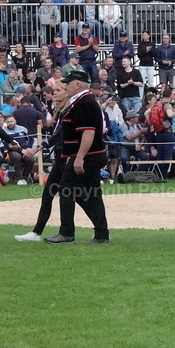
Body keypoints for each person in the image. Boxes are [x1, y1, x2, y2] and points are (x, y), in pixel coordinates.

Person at [44, 70, 110, 244]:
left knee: (66, 188)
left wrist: (79, 157)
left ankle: (66, 233)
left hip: (87, 156)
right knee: (90, 194)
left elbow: (88, 132)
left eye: (68, 83)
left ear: (77, 84)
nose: (66, 86)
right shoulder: (82, 102)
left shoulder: (84, 103)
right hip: (92, 155)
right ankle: (102, 234)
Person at [14, 78, 69, 241]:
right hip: (61, 159)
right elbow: (54, 133)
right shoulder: (60, 110)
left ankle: (98, 230)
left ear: (67, 92)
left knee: (80, 197)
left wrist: (37, 148)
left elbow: (57, 135)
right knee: (49, 195)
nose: (54, 94)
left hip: (67, 159)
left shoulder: (69, 111)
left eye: (58, 91)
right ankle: (37, 232)